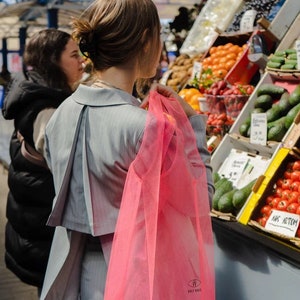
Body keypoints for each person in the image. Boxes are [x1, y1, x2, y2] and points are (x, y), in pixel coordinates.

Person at [40, 0, 215, 299]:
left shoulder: (59, 115)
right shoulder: (148, 128)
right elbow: (199, 200)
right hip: (135, 277)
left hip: (71, 271)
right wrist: (192, 126)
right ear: (147, 40)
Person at [1, 28, 84, 295]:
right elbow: (72, 171)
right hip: (44, 238)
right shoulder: (48, 113)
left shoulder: (38, 97)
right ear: (53, 62)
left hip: (34, 230)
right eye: (74, 55)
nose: (82, 61)